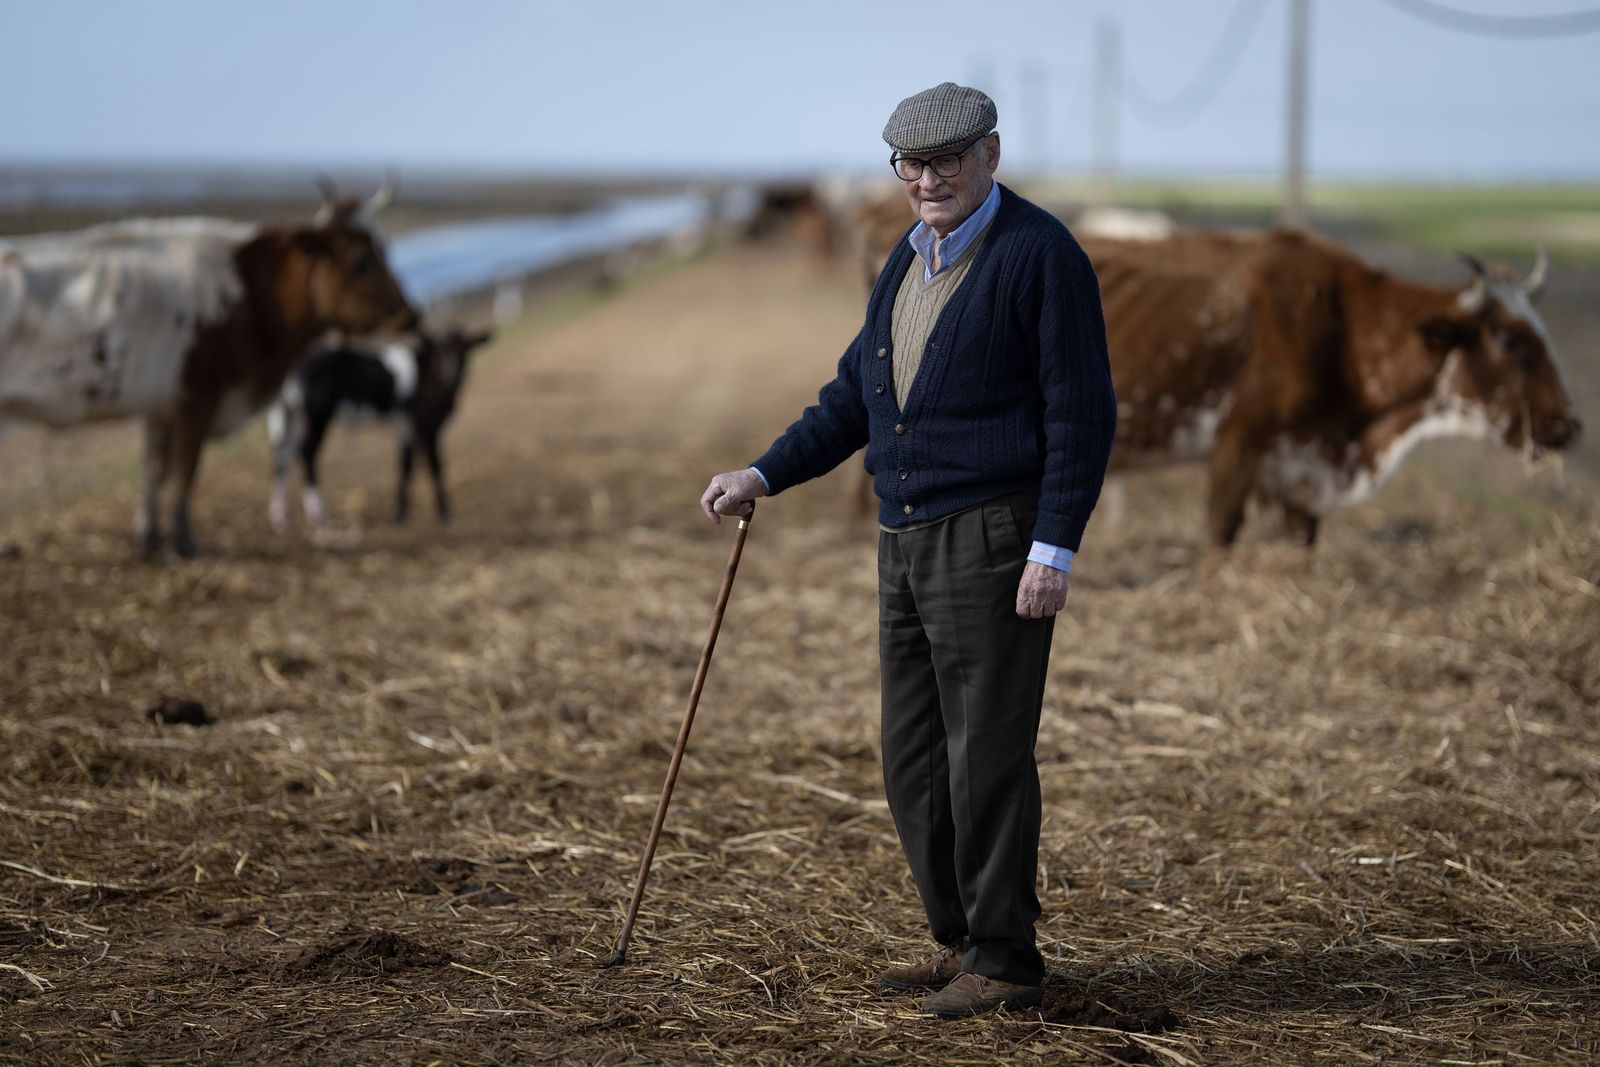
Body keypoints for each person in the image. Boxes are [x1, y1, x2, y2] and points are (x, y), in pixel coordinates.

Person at [699, 82, 1117, 1020]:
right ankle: (962, 937)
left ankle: (1006, 960)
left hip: (993, 541)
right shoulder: (910, 254)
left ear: (990, 156)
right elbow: (854, 395)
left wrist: (1053, 547)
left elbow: (1081, 416)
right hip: (902, 540)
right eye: (910, 165)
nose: (926, 180)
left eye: (946, 161)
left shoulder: (1041, 257)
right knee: (913, 758)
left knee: (989, 759)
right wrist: (763, 473)